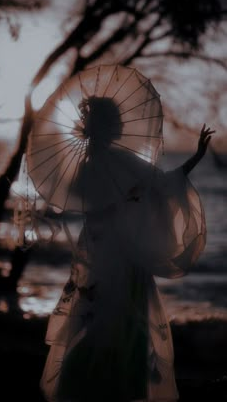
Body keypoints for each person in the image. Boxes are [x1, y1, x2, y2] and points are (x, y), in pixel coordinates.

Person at [40, 96, 215, 402]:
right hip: (119, 261)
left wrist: (196, 157)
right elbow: (161, 187)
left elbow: (154, 187)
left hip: (103, 259)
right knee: (117, 325)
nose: (122, 124)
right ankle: (106, 389)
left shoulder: (93, 167)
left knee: (106, 324)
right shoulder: (110, 165)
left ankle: (93, 389)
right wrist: (195, 157)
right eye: (117, 120)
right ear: (107, 127)